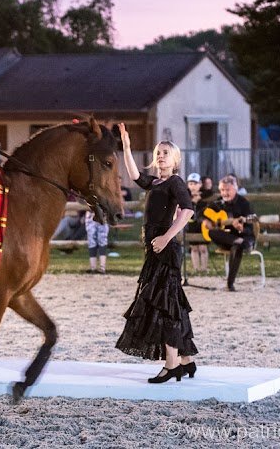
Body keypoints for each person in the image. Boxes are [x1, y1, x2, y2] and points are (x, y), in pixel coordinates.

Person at [115, 123, 197, 384]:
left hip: (166, 249)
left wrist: (165, 237)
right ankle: (186, 359)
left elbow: (187, 211)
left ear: (174, 160)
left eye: (165, 152)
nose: (160, 155)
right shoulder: (157, 182)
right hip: (155, 250)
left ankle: (171, 365)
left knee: (164, 305)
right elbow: (135, 175)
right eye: (158, 152)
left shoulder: (175, 182)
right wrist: (126, 147)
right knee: (171, 303)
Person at [204, 175, 254, 292]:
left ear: (235, 189)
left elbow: (252, 224)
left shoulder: (244, 203)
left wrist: (242, 228)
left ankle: (229, 284)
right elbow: (201, 213)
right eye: (222, 190)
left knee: (237, 246)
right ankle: (238, 241)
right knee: (211, 232)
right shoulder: (218, 203)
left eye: (227, 190)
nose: (224, 193)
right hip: (227, 239)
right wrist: (205, 220)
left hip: (243, 238)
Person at [185, 172, 209, 273]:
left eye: (195, 184)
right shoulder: (186, 197)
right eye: (190, 184)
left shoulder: (205, 197)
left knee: (203, 247)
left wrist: (199, 200)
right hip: (191, 225)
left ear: (200, 184)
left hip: (202, 225)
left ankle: (204, 268)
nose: (193, 186)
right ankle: (196, 268)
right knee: (194, 248)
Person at [85, 210, 109, 274]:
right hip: (90, 214)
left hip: (102, 214)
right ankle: (93, 268)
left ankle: (102, 267)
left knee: (102, 240)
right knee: (91, 241)